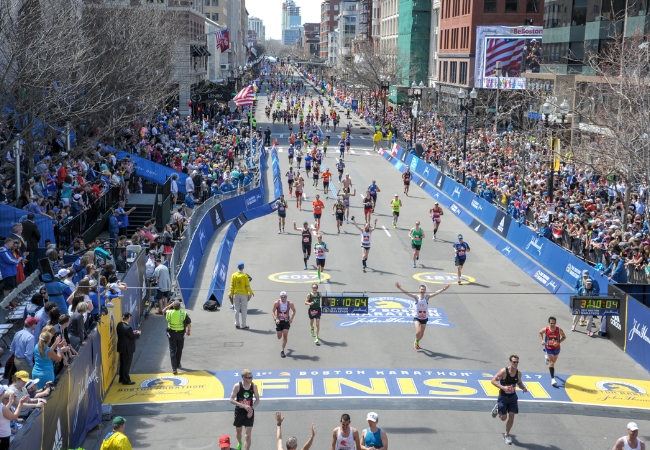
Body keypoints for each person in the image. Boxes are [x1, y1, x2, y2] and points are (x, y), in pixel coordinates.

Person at [395, 282, 450, 349]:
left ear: (425, 290)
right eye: (421, 289)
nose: (422, 291)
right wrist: (400, 288)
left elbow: (436, 293)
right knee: (418, 331)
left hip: (424, 318)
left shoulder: (427, 297)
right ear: (419, 290)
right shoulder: (416, 297)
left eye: (423, 289)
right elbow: (407, 293)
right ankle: (416, 340)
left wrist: (444, 288)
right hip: (417, 318)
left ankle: (417, 341)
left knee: (422, 333)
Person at [490, 355, 528, 445]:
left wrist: (523, 388)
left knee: (512, 415)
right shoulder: (504, 371)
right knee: (503, 418)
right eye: (514, 362)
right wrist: (502, 387)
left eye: (517, 362)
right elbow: (493, 380)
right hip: (503, 397)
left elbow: (519, 382)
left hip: (513, 397)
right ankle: (497, 409)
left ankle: (506, 435)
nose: (515, 363)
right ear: (510, 362)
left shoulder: (518, 373)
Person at [229, 369, 260, 450]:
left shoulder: (254, 386)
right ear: (244, 378)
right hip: (239, 411)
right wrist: (243, 405)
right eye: (249, 377)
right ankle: (239, 442)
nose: (251, 379)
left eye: (252, 377)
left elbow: (257, 399)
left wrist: (252, 408)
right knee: (238, 432)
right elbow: (231, 400)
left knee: (248, 434)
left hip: (249, 412)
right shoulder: (237, 386)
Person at [163, 301, 191, 375]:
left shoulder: (169, 312)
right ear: (180, 307)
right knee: (179, 349)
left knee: (172, 350)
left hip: (171, 334)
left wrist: (170, 305)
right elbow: (188, 323)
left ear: (173, 306)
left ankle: (174, 368)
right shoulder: (183, 313)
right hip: (181, 334)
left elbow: (163, 310)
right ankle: (178, 363)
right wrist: (189, 331)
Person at [539, 316, 566, 386]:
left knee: (553, 362)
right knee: (552, 363)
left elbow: (564, 337)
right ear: (549, 323)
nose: (552, 325)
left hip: (557, 348)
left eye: (554, 323)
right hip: (549, 348)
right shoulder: (546, 329)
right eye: (551, 323)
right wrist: (542, 340)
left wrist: (558, 342)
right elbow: (540, 333)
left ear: (555, 323)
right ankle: (553, 379)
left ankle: (547, 358)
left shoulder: (559, 330)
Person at [117, 311, 140, 385]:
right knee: (127, 364)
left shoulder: (119, 325)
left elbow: (126, 335)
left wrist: (133, 332)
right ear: (128, 318)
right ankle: (126, 380)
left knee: (123, 363)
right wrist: (138, 334)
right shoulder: (128, 328)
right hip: (127, 349)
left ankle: (121, 378)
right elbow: (132, 337)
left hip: (121, 347)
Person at [229, 262, 254, 328]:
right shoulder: (245, 275)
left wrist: (231, 293)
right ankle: (244, 325)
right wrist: (251, 292)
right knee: (244, 309)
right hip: (243, 294)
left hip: (236, 294)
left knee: (236, 309)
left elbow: (232, 286)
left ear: (237, 267)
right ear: (243, 268)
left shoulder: (233, 275)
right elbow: (247, 286)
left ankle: (237, 324)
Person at [272, 291, 296, 358]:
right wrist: (275, 319)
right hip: (279, 321)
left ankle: (282, 350)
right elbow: (273, 311)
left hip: (286, 321)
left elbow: (294, 310)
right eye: (281, 297)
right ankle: (281, 330)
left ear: (286, 297)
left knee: (285, 335)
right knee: (279, 337)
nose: (283, 298)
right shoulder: (276, 303)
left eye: (284, 297)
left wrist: (291, 318)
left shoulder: (290, 303)